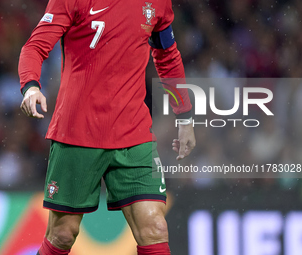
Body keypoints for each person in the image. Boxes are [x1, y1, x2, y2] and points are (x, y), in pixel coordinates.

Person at [18, 0, 196, 254]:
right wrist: (31, 85)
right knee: (62, 234)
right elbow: (35, 46)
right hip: (77, 133)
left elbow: (167, 55)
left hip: (134, 132)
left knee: (155, 228)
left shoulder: (157, 3)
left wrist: (185, 116)